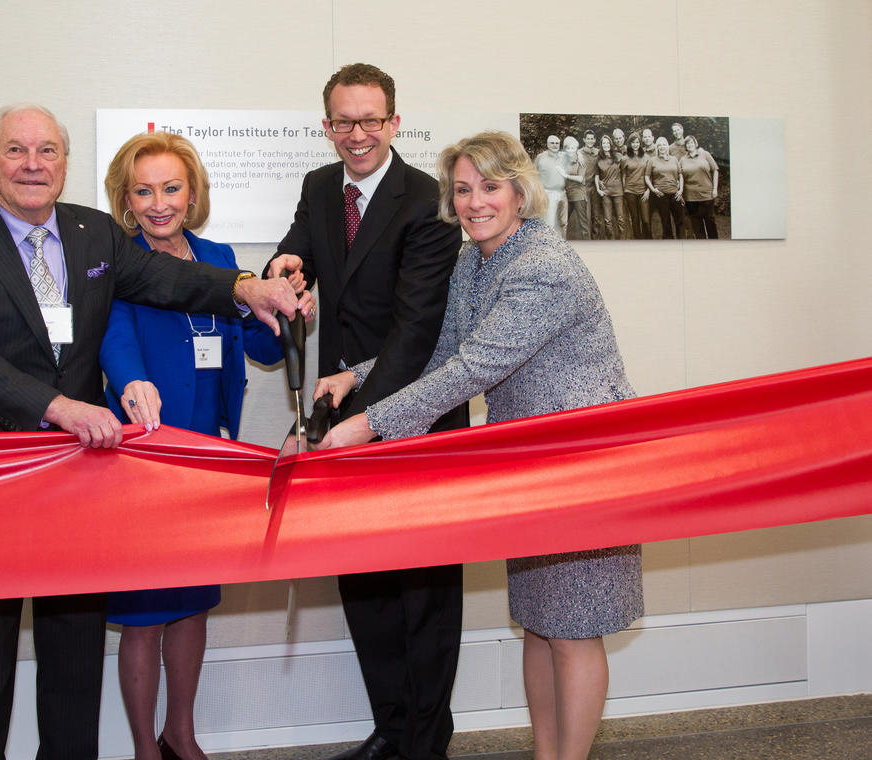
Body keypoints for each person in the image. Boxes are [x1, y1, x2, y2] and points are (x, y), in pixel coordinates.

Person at [0, 102, 305, 760]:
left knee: (73, 652)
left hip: (77, 475)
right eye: (16, 150)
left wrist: (247, 288)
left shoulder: (94, 235)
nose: (32, 164)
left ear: (66, 164)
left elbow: (167, 277)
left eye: (47, 151)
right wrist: (60, 406)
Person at [315, 130, 643, 760]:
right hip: (528, 465)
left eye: (489, 187)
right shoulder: (477, 258)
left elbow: (471, 370)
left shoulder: (541, 268)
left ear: (520, 191)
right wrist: (353, 376)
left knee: (574, 629)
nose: (474, 202)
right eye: (462, 190)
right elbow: (442, 350)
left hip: (583, 466)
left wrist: (368, 424)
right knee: (540, 625)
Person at [265, 62, 467, 760]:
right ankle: (390, 730)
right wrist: (285, 271)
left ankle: (426, 743)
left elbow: (415, 333)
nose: (357, 134)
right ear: (327, 127)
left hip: (414, 418)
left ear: (394, 122)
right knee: (366, 585)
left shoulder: (428, 200)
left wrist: (366, 420)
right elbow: (299, 252)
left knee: (424, 593)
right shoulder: (320, 186)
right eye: (343, 122)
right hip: (340, 417)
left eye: (370, 120)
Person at [99, 131, 284, 760]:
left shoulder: (219, 257)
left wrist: (285, 309)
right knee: (143, 611)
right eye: (144, 190)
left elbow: (255, 349)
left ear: (192, 192)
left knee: (192, 604)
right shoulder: (115, 261)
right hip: (141, 459)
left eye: (171, 188)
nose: (159, 203)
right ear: (126, 199)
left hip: (207, 458)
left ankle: (180, 733)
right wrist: (129, 382)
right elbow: (113, 341)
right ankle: (144, 750)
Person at [645, 136, 686, 239]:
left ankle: (681, 242)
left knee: (679, 220)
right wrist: (653, 189)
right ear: (657, 147)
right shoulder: (652, 160)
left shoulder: (674, 159)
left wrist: (681, 190)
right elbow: (646, 176)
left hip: (675, 194)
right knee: (665, 220)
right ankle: (669, 242)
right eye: (659, 145)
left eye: (664, 144)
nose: (662, 147)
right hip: (661, 194)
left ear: (667, 146)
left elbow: (680, 175)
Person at [679, 134, 720, 239]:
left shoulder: (705, 154)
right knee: (697, 225)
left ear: (695, 143)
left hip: (707, 195)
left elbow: (715, 170)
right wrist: (681, 193)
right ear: (685, 146)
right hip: (690, 197)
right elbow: (680, 177)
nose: (690, 145)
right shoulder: (682, 160)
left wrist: (715, 188)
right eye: (687, 143)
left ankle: (714, 246)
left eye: (691, 142)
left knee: (710, 222)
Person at [535, 135, 569, 238]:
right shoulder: (541, 157)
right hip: (548, 193)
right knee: (550, 223)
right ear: (547, 144)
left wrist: (579, 156)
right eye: (552, 143)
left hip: (562, 193)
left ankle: (563, 246)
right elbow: (533, 174)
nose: (555, 145)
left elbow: (576, 153)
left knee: (564, 223)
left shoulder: (563, 156)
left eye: (557, 143)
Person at [594, 134, 626, 240]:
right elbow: (596, 176)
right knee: (608, 220)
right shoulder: (598, 159)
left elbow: (625, 172)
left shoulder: (618, 156)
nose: (606, 145)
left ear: (611, 144)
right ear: (601, 145)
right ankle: (611, 241)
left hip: (618, 192)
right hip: (605, 192)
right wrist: (598, 189)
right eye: (604, 143)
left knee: (620, 218)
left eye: (608, 143)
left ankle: (622, 240)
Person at [619, 136, 650, 239]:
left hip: (643, 191)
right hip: (630, 191)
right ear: (630, 144)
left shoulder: (646, 157)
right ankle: (638, 242)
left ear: (640, 143)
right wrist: (624, 191)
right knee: (635, 219)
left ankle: (649, 241)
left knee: (645, 219)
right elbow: (623, 176)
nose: (635, 144)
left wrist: (648, 191)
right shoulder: (624, 158)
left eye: (637, 142)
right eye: (633, 142)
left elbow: (650, 176)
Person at [562, 136, 590, 240]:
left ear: (576, 148)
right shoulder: (563, 159)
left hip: (579, 195)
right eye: (568, 148)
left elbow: (580, 179)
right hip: (566, 195)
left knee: (583, 224)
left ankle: (589, 246)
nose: (570, 150)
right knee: (563, 222)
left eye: (573, 148)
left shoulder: (581, 161)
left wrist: (566, 176)